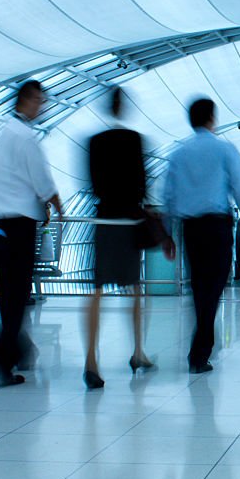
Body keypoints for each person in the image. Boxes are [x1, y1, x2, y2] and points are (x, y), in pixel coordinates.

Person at [163, 98, 240, 374]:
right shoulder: (225, 149)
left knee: (199, 285)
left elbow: (169, 195)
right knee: (214, 287)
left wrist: (168, 233)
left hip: (191, 228)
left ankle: (201, 344)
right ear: (212, 119)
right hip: (217, 227)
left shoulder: (179, 154)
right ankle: (200, 350)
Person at [0, 80, 63, 388]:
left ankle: (22, 351)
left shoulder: (4, 132)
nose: (42, 106)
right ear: (26, 100)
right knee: (16, 296)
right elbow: (41, 180)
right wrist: (56, 202)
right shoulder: (26, 136)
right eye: (39, 100)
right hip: (17, 225)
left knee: (8, 294)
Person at [83, 87, 155, 389]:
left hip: (103, 219)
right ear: (122, 107)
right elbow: (141, 182)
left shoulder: (94, 142)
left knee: (97, 291)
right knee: (135, 290)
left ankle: (91, 360)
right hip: (127, 221)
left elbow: (92, 183)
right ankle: (137, 351)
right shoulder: (135, 141)